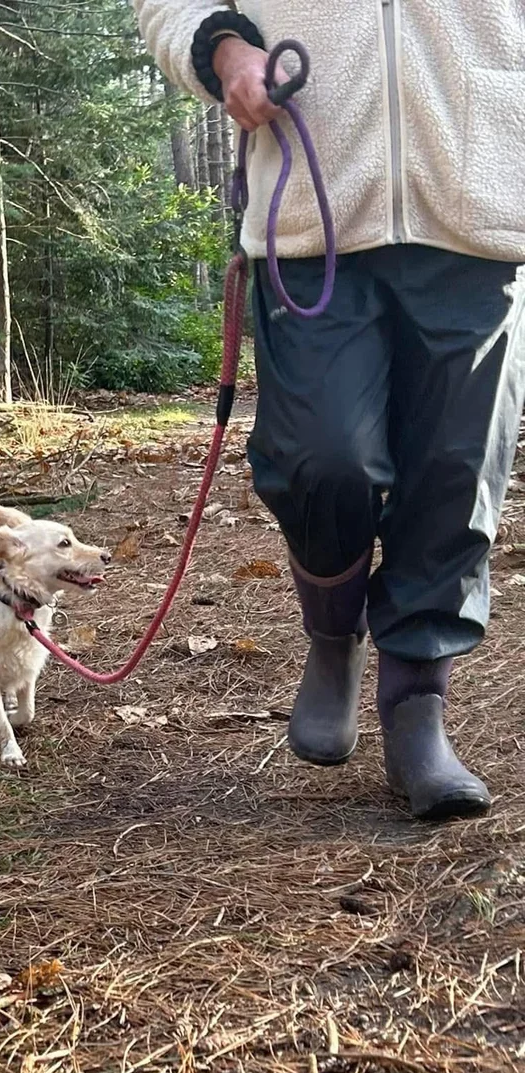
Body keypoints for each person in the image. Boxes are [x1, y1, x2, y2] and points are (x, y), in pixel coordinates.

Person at [132, 2, 525, 821]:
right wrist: (225, 48)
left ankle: (418, 707)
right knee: (322, 456)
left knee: (457, 475)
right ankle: (332, 630)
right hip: (313, 213)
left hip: (481, 203)